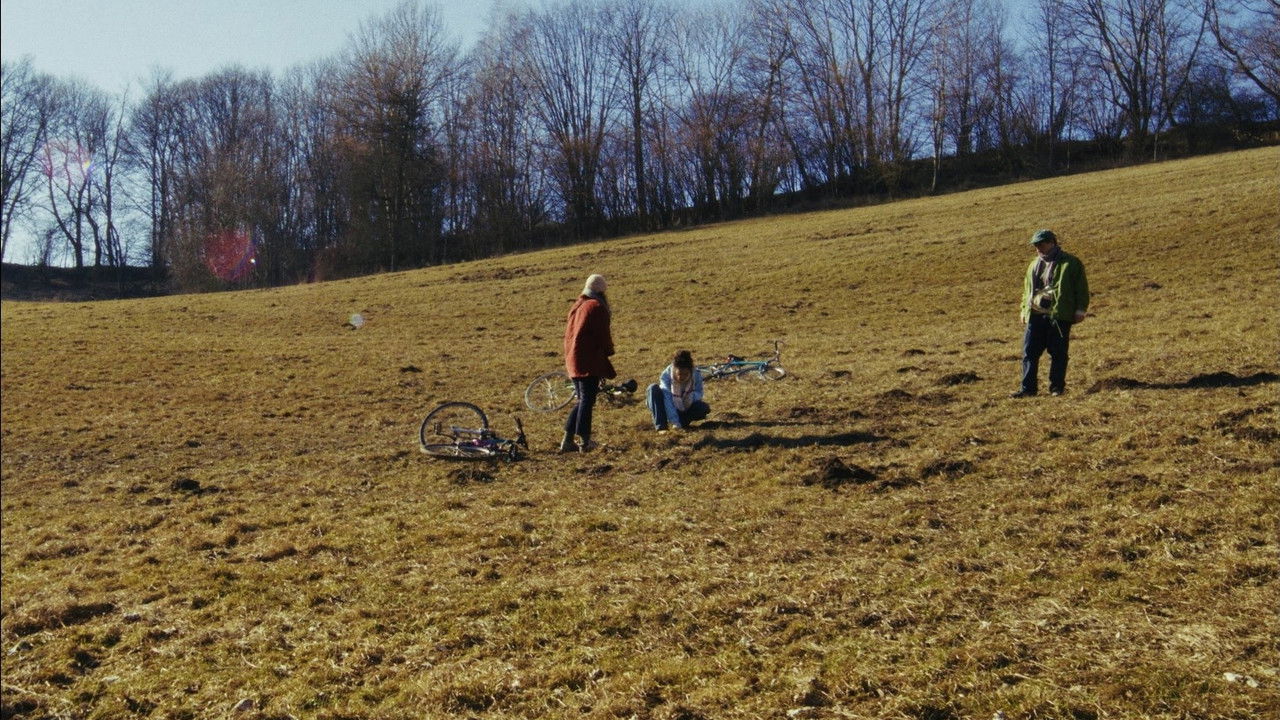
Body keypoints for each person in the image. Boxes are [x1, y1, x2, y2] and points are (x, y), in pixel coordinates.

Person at [1012, 229, 1090, 398]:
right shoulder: (1033, 265)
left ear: (1052, 242)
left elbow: (1081, 289)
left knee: (1058, 353)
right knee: (1029, 353)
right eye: (1035, 245)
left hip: (1058, 315)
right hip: (1035, 315)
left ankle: (1056, 388)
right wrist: (1024, 311)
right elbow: (1027, 290)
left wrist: (1080, 310)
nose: (1038, 248)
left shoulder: (1071, 263)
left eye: (1041, 244)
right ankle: (1028, 389)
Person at [561, 274, 615, 452]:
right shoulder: (596, 307)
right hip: (588, 360)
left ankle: (567, 441)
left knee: (582, 399)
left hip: (573, 359)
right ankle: (585, 441)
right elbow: (603, 336)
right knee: (587, 400)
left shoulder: (577, 305)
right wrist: (609, 351)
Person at [647, 350, 710, 431]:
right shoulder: (666, 376)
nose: (682, 377)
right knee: (653, 388)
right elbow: (668, 399)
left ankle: (681, 423)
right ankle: (662, 426)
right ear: (674, 370)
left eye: (685, 374)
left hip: (685, 407)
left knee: (703, 408)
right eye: (679, 374)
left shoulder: (696, 374)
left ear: (690, 371)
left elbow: (700, 393)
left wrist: (690, 396)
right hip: (666, 407)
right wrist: (675, 421)